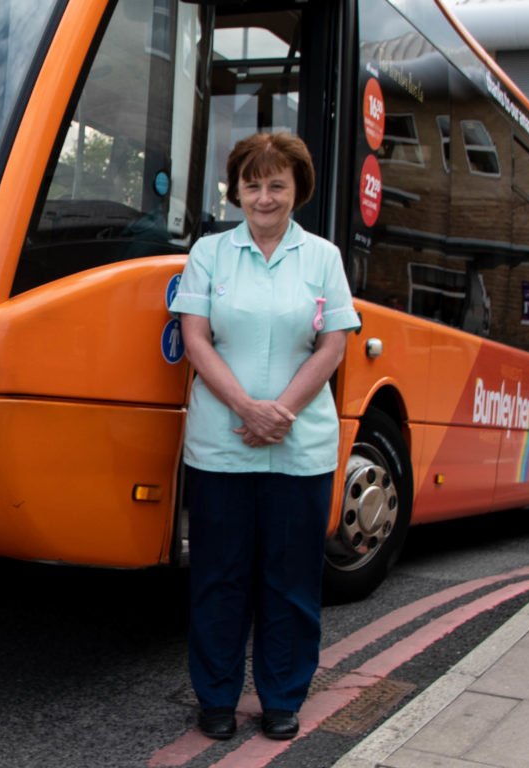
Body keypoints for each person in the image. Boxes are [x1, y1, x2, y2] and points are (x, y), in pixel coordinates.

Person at [166, 132, 360, 741]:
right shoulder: (210, 253)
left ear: (297, 188)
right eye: (252, 184)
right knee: (219, 577)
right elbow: (196, 339)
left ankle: (282, 697)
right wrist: (247, 408)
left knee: (291, 581)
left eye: (277, 183)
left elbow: (334, 344)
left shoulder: (323, 257)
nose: (264, 196)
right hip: (221, 445)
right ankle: (217, 698)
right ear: (237, 190)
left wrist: (279, 412)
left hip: (300, 449)